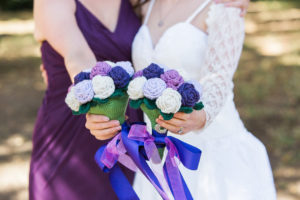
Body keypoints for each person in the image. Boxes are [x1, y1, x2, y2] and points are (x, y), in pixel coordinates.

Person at [86, 0, 277, 199]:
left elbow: (219, 77)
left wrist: (203, 114)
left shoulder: (223, 5)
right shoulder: (142, 5)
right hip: (156, 155)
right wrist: (102, 110)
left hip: (212, 154)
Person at [30, 0, 143, 199]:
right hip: (71, 136)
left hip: (128, 135)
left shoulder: (135, 3)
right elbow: (78, 56)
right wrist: (96, 104)